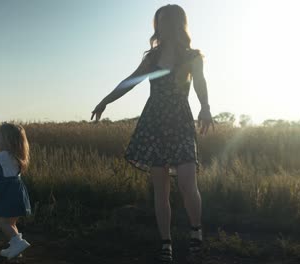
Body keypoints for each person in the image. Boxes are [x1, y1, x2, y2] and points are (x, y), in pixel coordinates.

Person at [91, 4, 214, 263]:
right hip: (154, 124)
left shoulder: (193, 56)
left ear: (178, 24)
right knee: (161, 189)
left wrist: (205, 108)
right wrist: (105, 101)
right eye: (159, 22)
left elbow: (200, 83)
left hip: (180, 121)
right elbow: (130, 81)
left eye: (167, 21)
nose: (162, 26)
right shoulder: (152, 57)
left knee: (187, 181)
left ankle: (196, 233)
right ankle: (166, 243)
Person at [0, 123, 32, 260]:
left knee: (2, 222)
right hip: (17, 191)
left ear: (7, 139)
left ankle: (18, 244)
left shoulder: (4, 155)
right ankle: (16, 249)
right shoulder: (17, 156)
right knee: (11, 223)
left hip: (8, 192)